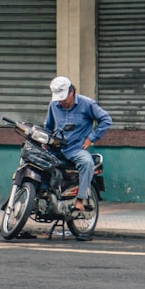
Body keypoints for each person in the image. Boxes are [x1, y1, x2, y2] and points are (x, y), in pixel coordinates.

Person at [44, 76, 112, 241]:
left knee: (87, 162)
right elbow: (48, 126)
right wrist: (45, 140)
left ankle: (80, 199)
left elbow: (106, 120)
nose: (61, 102)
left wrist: (91, 138)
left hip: (76, 148)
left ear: (72, 92)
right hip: (57, 147)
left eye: (63, 98)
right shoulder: (53, 105)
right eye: (58, 99)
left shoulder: (87, 104)